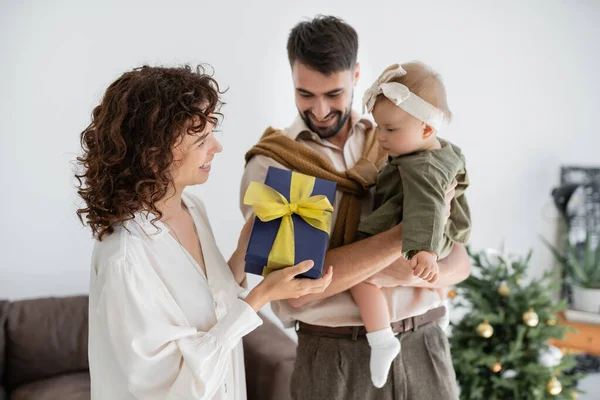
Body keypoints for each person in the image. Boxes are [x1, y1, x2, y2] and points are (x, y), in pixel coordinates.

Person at [240, 16, 470, 399]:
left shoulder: (398, 138)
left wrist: (393, 271)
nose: (320, 109)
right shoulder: (278, 163)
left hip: (425, 345)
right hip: (335, 360)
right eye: (305, 94)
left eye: (334, 94)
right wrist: (405, 238)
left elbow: (460, 262)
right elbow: (298, 290)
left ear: (357, 75)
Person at [76, 65, 333, 400]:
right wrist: (261, 297)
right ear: (153, 152)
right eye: (201, 140)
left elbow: (212, 307)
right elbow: (168, 385)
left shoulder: (192, 209)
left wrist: (244, 250)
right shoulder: (124, 257)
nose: (217, 149)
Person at [351, 61, 471, 388]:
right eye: (379, 126)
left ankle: (380, 338)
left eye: (390, 130)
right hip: (442, 237)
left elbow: (427, 208)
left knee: (363, 278)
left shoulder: (422, 169)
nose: (381, 137)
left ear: (426, 130)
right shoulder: (443, 151)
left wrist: (424, 250)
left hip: (424, 237)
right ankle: (440, 303)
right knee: (425, 274)